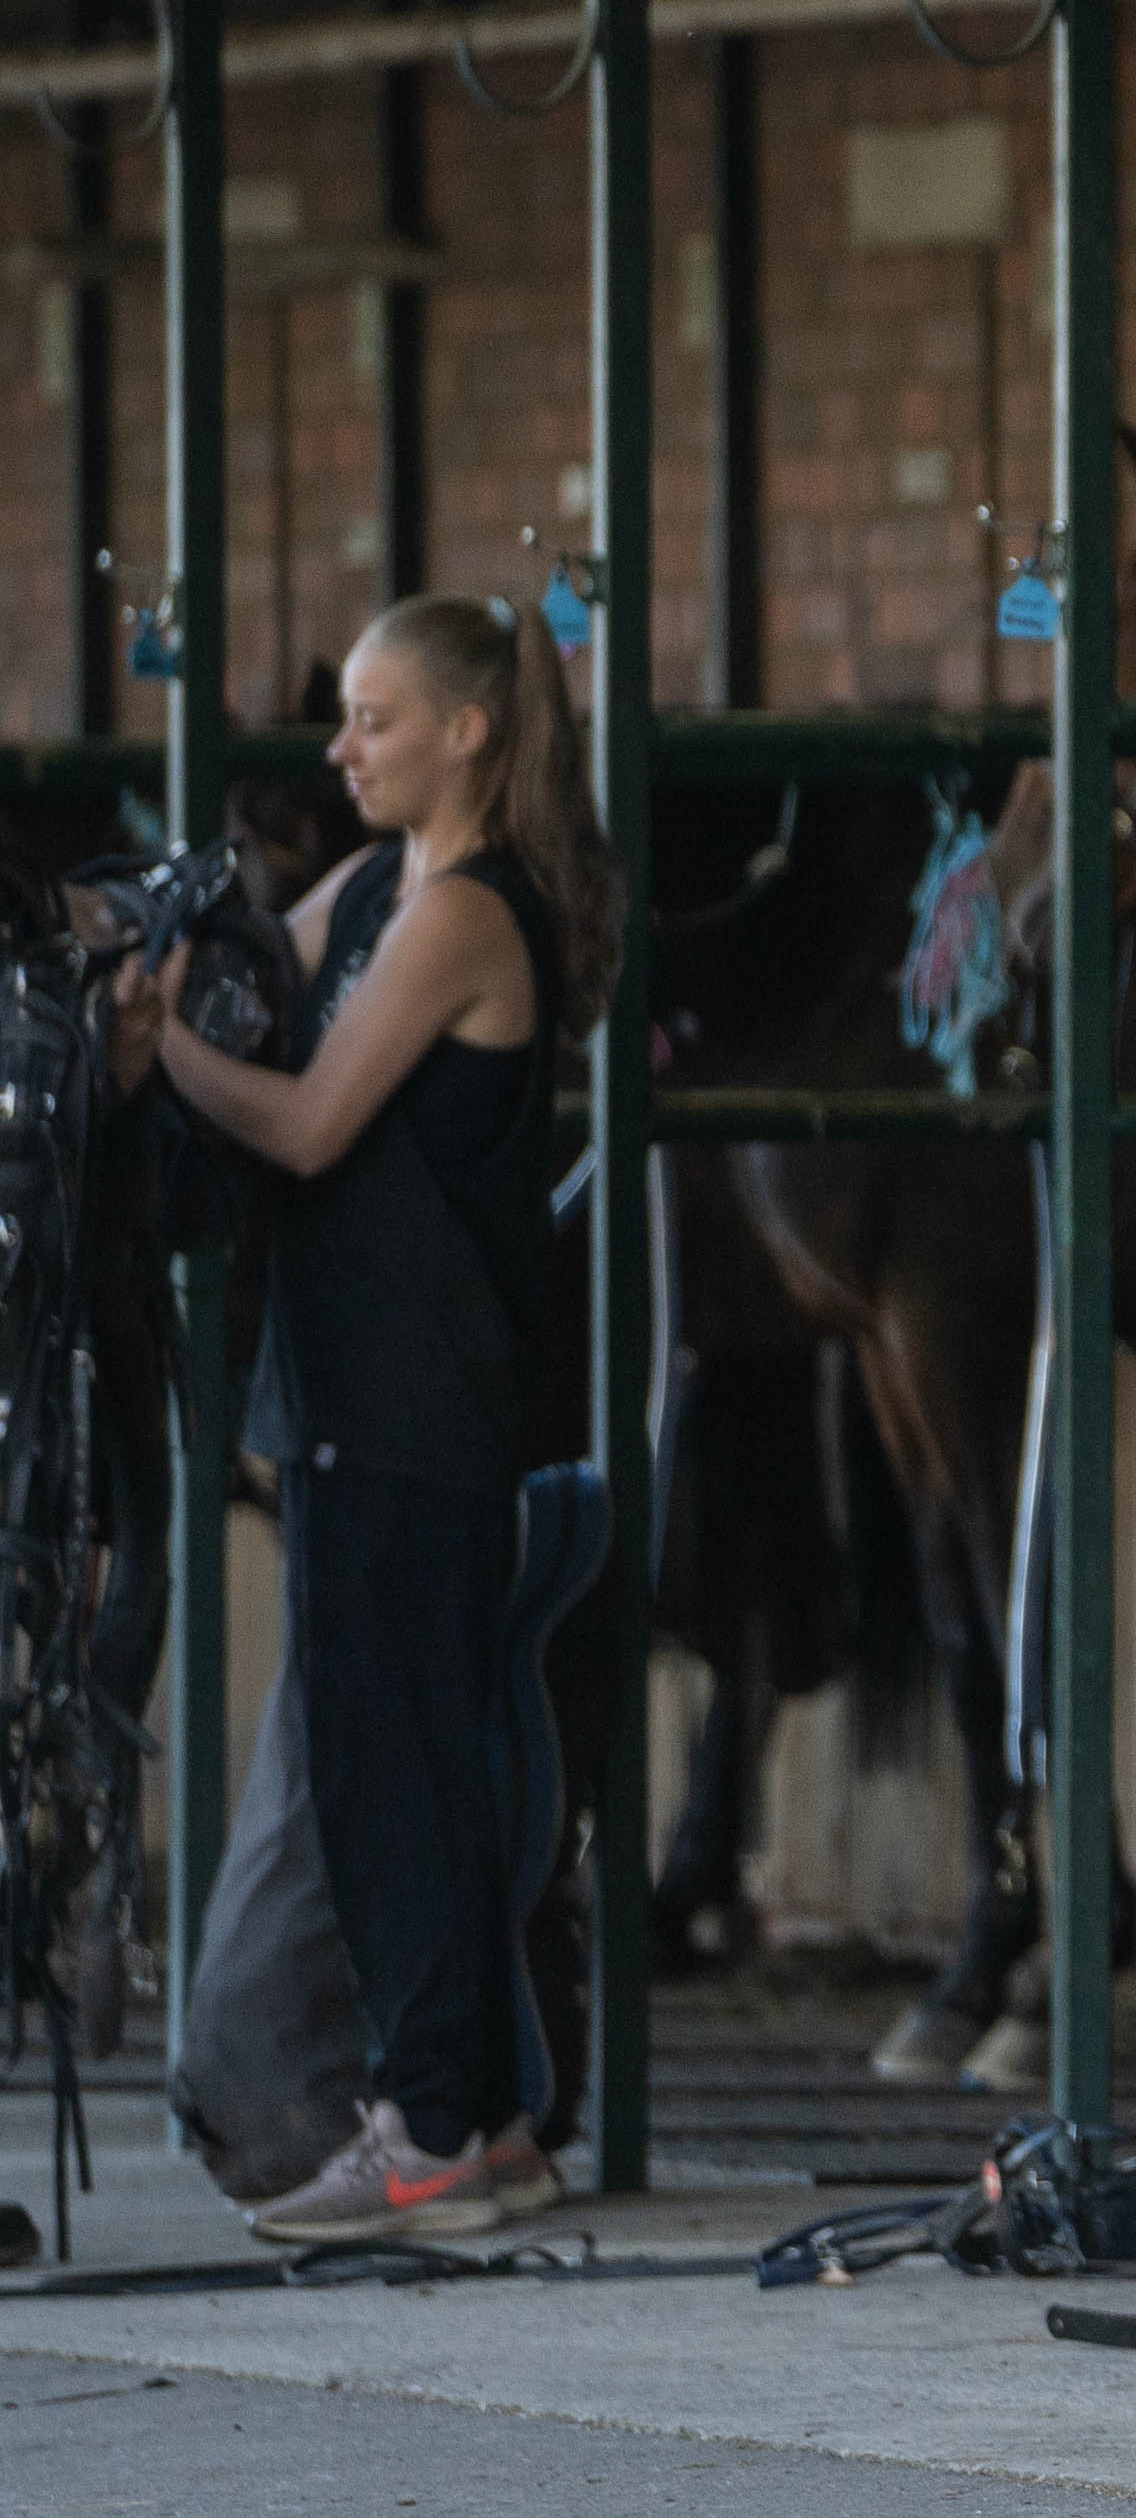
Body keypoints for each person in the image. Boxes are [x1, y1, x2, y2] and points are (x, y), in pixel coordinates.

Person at [111, 591, 621, 2244]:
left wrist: (172, 1054)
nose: (340, 751)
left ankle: (429, 2135)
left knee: (393, 1783)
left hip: (412, 1406)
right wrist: (150, 966)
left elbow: (315, 1124)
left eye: (373, 721)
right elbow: (272, 947)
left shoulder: (471, 915)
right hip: (360, 1399)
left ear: (468, 730)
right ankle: (488, 2122)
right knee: (403, 1766)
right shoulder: (384, 887)